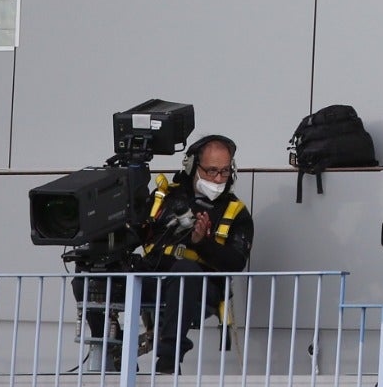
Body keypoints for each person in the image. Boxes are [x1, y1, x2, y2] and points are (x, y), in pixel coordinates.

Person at [71, 135, 254, 374]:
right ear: (191, 167)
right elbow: (134, 233)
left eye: (225, 171)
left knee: (185, 270)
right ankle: (113, 348)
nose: (218, 179)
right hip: (153, 275)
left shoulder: (236, 212)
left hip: (200, 286)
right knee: (89, 276)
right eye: (211, 171)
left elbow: (236, 262)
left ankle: (168, 362)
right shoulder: (165, 197)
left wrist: (201, 243)